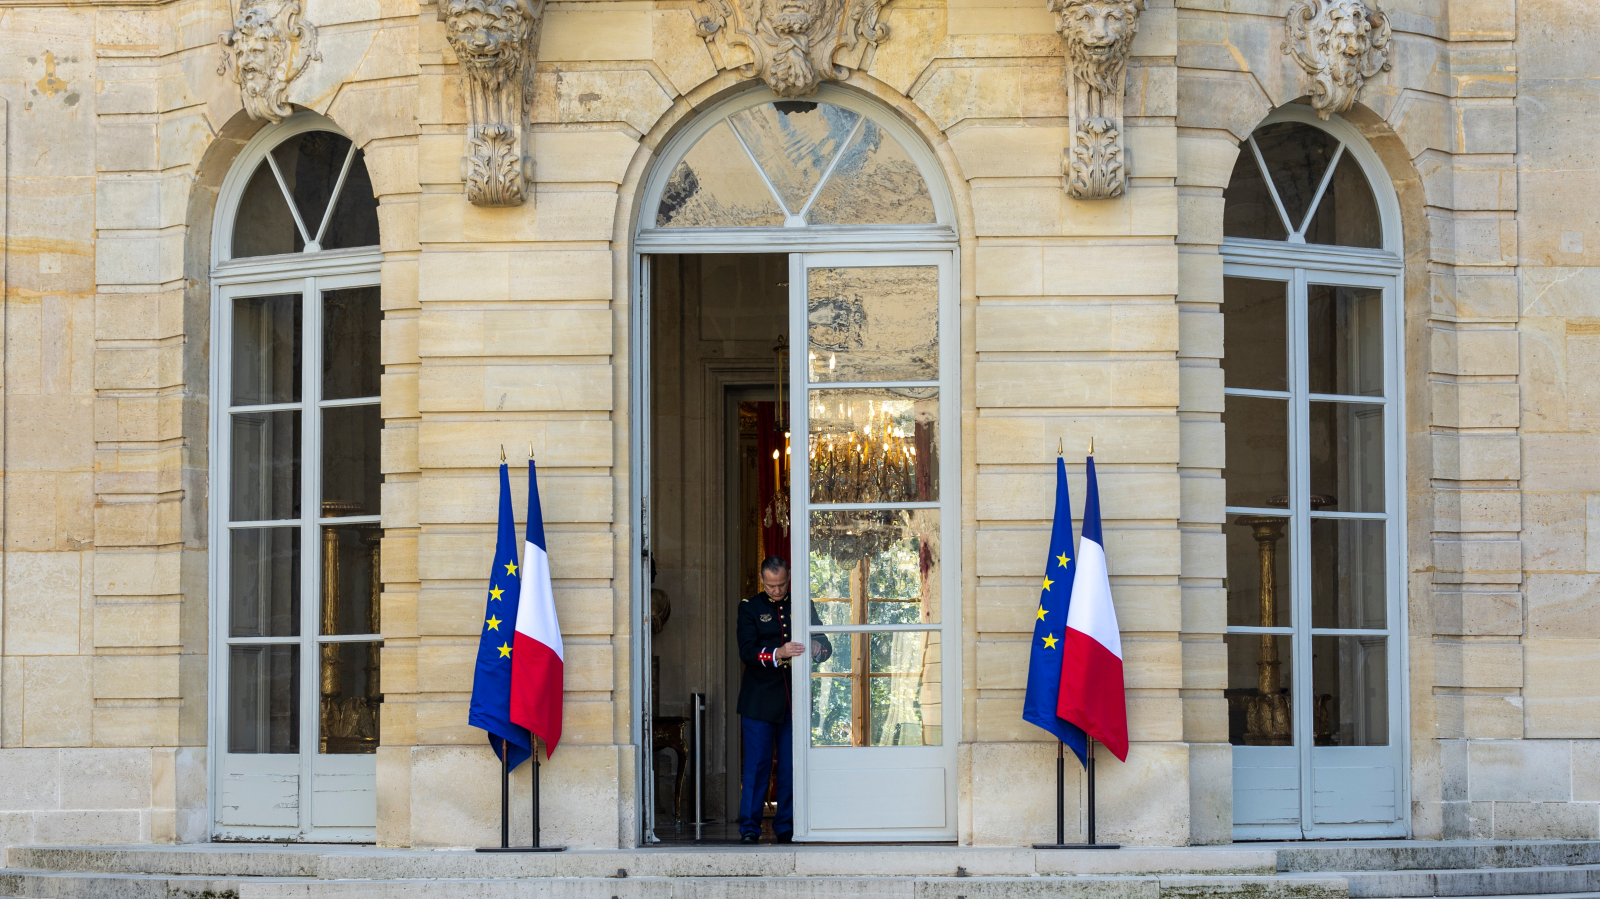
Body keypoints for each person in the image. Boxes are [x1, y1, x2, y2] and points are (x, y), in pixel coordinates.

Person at [735, 555, 830, 844]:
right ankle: (749, 827)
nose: (777, 591)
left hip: (793, 700)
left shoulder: (803, 605)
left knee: (790, 767)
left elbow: (827, 646)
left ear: (788, 579)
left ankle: (786, 826)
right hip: (759, 701)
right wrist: (779, 652)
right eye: (771, 585)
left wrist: (816, 648)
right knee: (757, 767)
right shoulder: (749, 608)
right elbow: (747, 652)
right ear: (762, 580)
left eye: (782, 585)